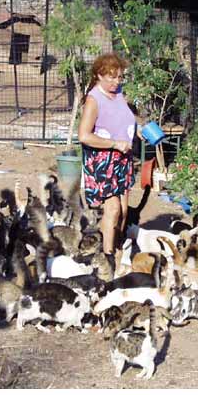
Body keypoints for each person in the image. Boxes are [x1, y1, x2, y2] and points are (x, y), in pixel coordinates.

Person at [78, 52, 135, 257]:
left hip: (122, 157)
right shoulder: (94, 99)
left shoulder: (119, 93)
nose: (116, 81)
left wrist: (138, 131)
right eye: (111, 76)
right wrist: (113, 144)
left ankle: (113, 247)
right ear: (99, 75)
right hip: (103, 161)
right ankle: (107, 258)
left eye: (119, 76)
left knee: (123, 211)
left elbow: (121, 118)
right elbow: (84, 135)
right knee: (113, 209)